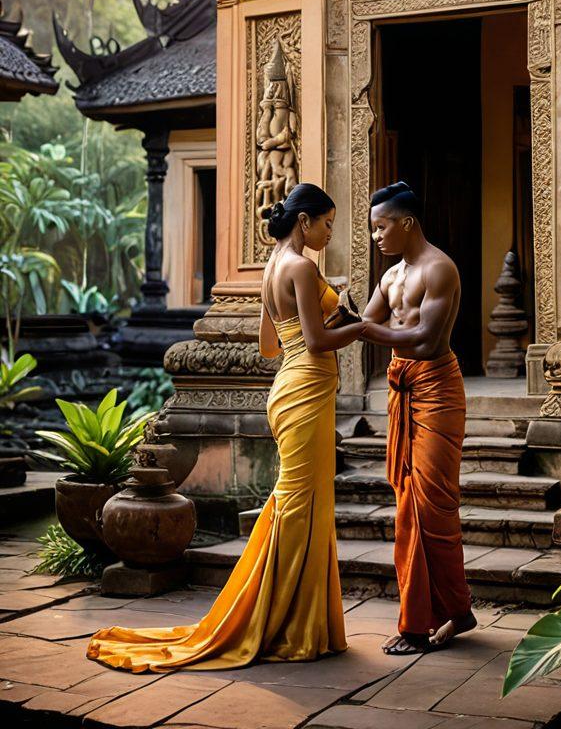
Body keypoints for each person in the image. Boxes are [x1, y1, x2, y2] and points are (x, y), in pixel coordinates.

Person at [87, 183, 364, 672]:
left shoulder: (273, 267)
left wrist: (332, 313)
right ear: (305, 221)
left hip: (290, 385)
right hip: (305, 388)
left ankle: (297, 618)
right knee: (299, 507)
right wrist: (359, 325)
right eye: (326, 223)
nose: (328, 232)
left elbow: (268, 346)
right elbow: (319, 341)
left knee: (301, 504)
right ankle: (280, 620)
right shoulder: (301, 266)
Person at [360, 181, 475, 655]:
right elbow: (361, 323)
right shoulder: (389, 277)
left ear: (406, 222)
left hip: (436, 389)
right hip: (402, 388)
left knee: (432, 505)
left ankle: (421, 623)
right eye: (372, 229)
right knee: (408, 502)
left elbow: (426, 340)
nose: (376, 238)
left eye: (382, 227)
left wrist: (364, 327)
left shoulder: (439, 268)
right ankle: (455, 612)